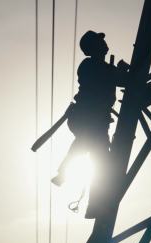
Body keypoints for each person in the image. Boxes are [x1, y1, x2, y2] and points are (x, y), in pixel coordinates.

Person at [51, 31, 129, 187]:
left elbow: (118, 78)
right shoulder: (90, 65)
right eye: (99, 41)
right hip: (84, 117)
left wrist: (121, 72)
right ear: (93, 47)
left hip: (96, 119)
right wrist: (122, 72)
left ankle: (72, 175)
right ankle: (66, 174)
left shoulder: (103, 67)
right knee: (89, 142)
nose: (104, 43)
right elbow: (116, 78)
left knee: (93, 146)